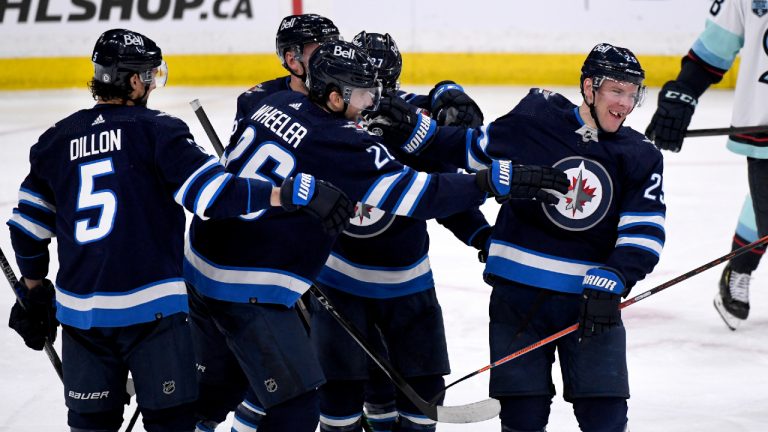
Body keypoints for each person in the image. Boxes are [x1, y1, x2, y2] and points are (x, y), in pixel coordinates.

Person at [184, 39, 567, 432]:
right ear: (334, 96)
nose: (373, 102)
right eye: (363, 94)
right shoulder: (341, 140)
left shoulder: (275, 102)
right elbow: (421, 195)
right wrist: (492, 181)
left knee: (224, 387)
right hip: (252, 285)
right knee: (296, 402)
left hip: (203, 265)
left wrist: (444, 90)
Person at [5, 28, 351, 432]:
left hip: (83, 317)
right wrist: (287, 193)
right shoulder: (159, 131)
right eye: (151, 74)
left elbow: (27, 229)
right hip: (154, 314)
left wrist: (34, 291)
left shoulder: (55, 141)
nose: (153, 83)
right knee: (171, 423)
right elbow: (214, 198)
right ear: (135, 80)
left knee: (89, 426)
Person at [370, 42, 666, 432]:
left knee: (605, 417)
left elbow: (645, 231)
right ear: (589, 86)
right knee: (522, 417)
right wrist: (414, 127)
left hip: (592, 304)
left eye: (632, 94)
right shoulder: (536, 119)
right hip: (518, 297)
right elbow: (470, 150)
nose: (625, 104)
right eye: (617, 90)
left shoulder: (641, 155)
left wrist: (616, 275)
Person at [311, 31, 491, 432]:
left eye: (379, 88)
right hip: (340, 282)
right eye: (360, 88)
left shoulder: (412, 121)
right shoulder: (319, 120)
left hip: (406, 285)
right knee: (339, 395)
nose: (370, 102)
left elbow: (442, 190)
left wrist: (482, 235)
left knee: (423, 391)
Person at [645, 0, 768, 330]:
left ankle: (740, 266)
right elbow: (718, 43)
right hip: (764, 124)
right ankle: (740, 267)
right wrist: (684, 90)